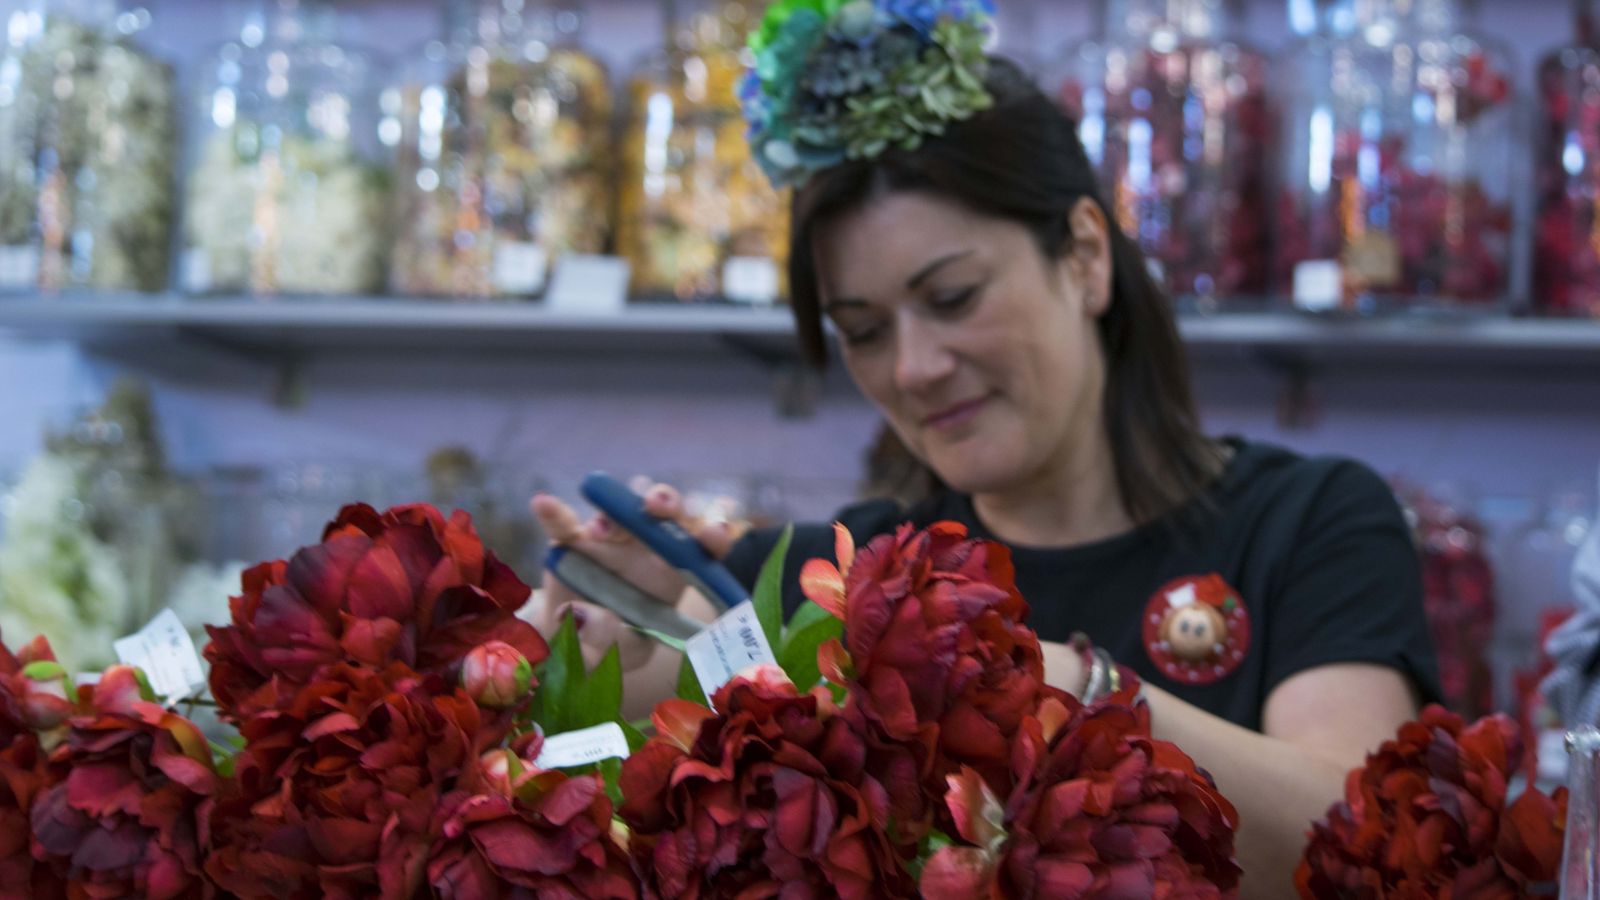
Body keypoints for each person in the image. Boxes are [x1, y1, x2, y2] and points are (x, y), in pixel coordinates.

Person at [528, 2, 1439, 894]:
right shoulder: (829, 581)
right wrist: (590, 636)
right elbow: (621, 705)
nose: (915, 368)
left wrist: (1067, 684)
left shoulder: (1310, 522)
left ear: (1084, 255)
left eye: (955, 297)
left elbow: (1364, 845)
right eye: (864, 329)